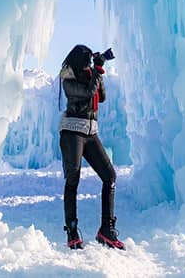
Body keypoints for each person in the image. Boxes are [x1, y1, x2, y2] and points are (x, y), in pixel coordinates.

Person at [58, 44, 125, 250]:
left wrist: (98, 70)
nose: (89, 63)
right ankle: (72, 231)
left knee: (110, 176)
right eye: (87, 60)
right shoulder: (68, 78)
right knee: (73, 179)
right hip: (72, 132)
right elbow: (87, 93)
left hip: (90, 132)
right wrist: (96, 70)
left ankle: (106, 229)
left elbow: (100, 96)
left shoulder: (90, 74)